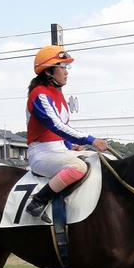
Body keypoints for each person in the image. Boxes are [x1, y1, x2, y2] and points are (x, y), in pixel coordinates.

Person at [25, 45, 108, 219]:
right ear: (49, 71)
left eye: (66, 67)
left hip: (59, 150)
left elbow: (60, 133)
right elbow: (56, 125)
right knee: (79, 167)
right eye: (63, 67)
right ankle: (38, 201)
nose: (66, 71)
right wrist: (91, 140)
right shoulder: (38, 94)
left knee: (99, 160)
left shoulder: (58, 95)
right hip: (41, 154)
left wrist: (71, 146)